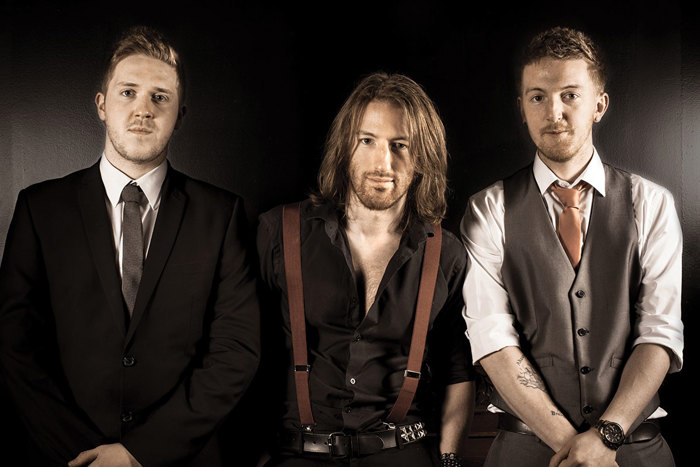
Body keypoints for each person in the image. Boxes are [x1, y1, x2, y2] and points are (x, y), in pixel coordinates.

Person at [0, 26, 260, 466]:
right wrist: (85, 456)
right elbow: (13, 345)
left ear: (180, 115)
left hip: (183, 458)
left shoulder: (222, 215)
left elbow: (236, 353)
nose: (143, 109)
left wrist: (139, 454)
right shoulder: (39, 208)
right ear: (102, 105)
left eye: (160, 97)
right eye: (128, 92)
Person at [461, 26, 683, 466]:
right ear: (522, 108)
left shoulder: (651, 203)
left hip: (636, 448)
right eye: (538, 96)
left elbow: (659, 332)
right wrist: (575, 449)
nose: (553, 111)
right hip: (524, 450)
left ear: (599, 105)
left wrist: (606, 437)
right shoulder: (488, 208)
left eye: (570, 95)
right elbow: (491, 338)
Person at [256, 72, 475, 466]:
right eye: (367, 141)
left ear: (422, 156)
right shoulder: (278, 233)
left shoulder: (446, 254)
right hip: (299, 453)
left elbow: (456, 370)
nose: (383, 162)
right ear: (346, 148)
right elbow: (245, 352)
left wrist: (449, 460)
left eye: (400, 145)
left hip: (404, 452)